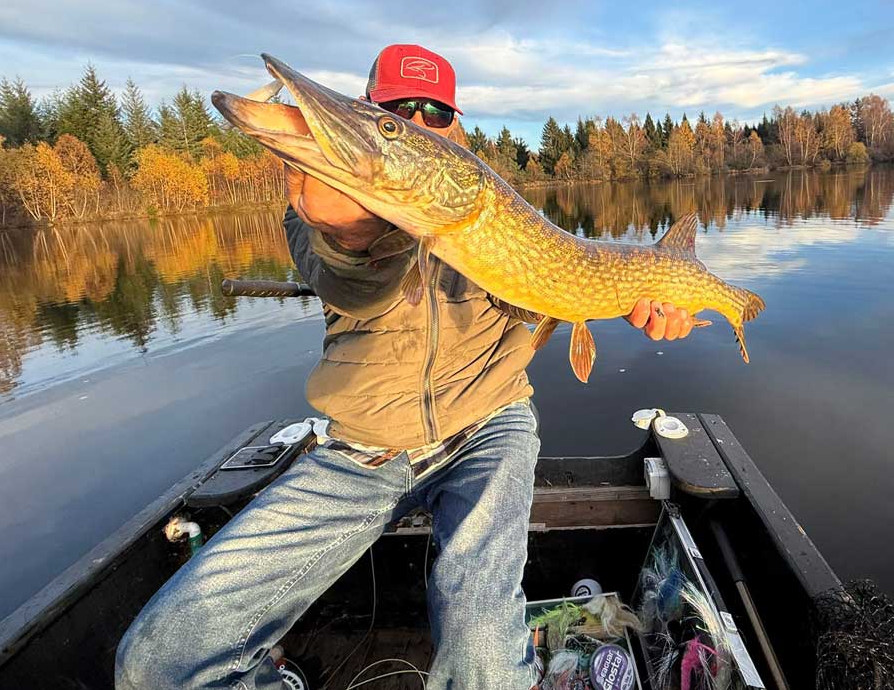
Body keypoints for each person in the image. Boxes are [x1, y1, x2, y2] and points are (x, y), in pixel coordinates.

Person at [115, 44, 700, 690]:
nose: (419, 123)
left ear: (456, 130)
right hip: (365, 448)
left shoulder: (492, 204)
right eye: (395, 115)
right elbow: (354, 287)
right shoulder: (314, 204)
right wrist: (354, 236)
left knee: (484, 662)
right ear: (370, 108)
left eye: (436, 113)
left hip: (490, 424)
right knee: (155, 663)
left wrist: (638, 298)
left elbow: (554, 290)